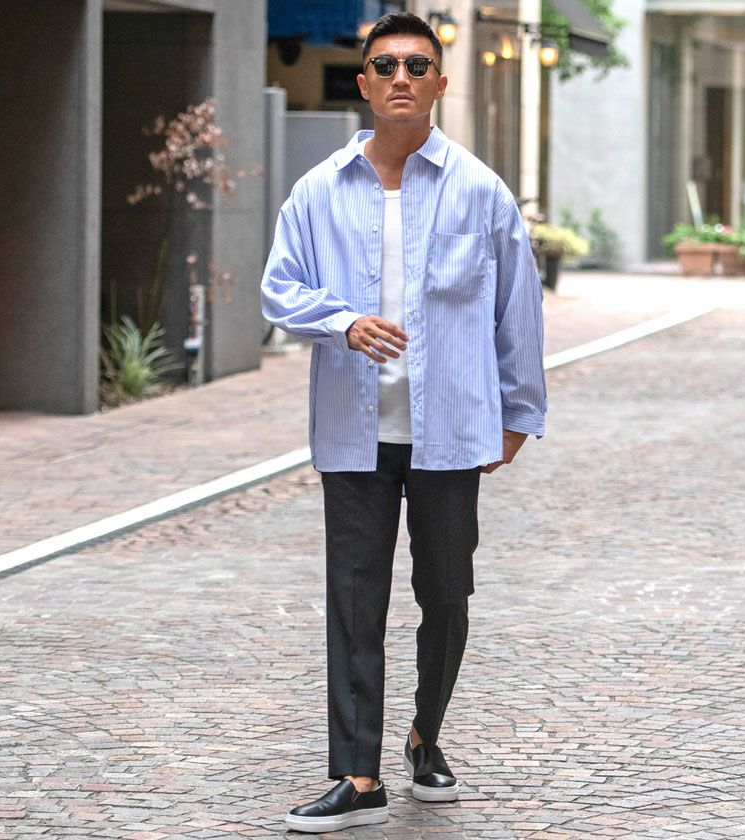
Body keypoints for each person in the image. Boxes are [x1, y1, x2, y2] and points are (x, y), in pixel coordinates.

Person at [261, 11, 546, 834]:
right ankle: (358, 776)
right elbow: (279, 289)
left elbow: (517, 308)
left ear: (440, 84)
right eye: (385, 65)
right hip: (353, 434)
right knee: (355, 604)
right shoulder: (318, 191)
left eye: (417, 66)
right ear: (363, 83)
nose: (400, 78)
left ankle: (426, 734)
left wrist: (519, 413)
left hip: (451, 432)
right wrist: (343, 322)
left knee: (446, 596)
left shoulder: (480, 191)